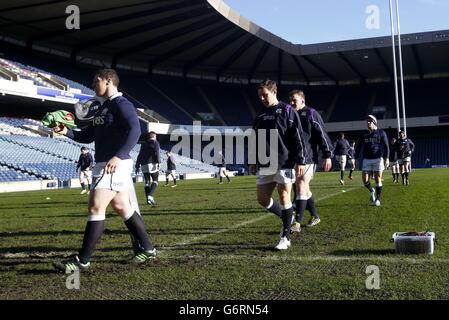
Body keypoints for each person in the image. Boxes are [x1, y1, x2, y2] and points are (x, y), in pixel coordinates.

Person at [52, 69, 156, 272]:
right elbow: (88, 135)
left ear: (108, 80)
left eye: (95, 80)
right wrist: (66, 131)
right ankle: (149, 249)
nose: (92, 84)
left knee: (95, 207)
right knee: (122, 207)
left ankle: (82, 260)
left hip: (114, 163)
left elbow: (135, 130)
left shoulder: (121, 104)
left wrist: (118, 155)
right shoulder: (102, 107)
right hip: (105, 163)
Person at [249, 80, 306, 250]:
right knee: (262, 199)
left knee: (284, 197)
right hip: (265, 163)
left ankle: (285, 237)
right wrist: (252, 159)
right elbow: (254, 139)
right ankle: (287, 217)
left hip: (284, 161)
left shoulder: (287, 111)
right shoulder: (260, 115)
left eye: (265, 94)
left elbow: (298, 137)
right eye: (260, 95)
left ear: (274, 92)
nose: (262, 98)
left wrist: (300, 160)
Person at [288, 90, 333, 232]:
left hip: (308, 157)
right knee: (303, 188)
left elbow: (322, 134)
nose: (291, 102)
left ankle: (297, 223)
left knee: (301, 185)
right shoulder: (290, 115)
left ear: (303, 100)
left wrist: (327, 155)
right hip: (294, 157)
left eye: (294, 100)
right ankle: (315, 216)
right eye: (290, 100)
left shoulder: (311, 113)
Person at [355, 115, 389, 207]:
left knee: (378, 179)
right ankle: (371, 190)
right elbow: (358, 147)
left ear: (374, 122)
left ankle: (378, 199)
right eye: (367, 121)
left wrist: (387, 158)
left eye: (370, 121)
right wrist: (356, 158)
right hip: (366, 159)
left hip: (378, 159)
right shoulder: (363, 134)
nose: (368, 123)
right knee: (365, 181)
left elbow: (386, 146)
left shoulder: (381, 133)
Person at [135, 131, 161, 204]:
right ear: (154, 136)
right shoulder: (155, 143)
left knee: (147, 182)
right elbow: (157, 152)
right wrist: (158, 162)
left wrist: (137, 166)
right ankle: (150, 195)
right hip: (152, 163)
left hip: (143, 164)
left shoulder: (143, 144)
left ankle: (148, 200)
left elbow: (139, 155)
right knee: (155, 180)